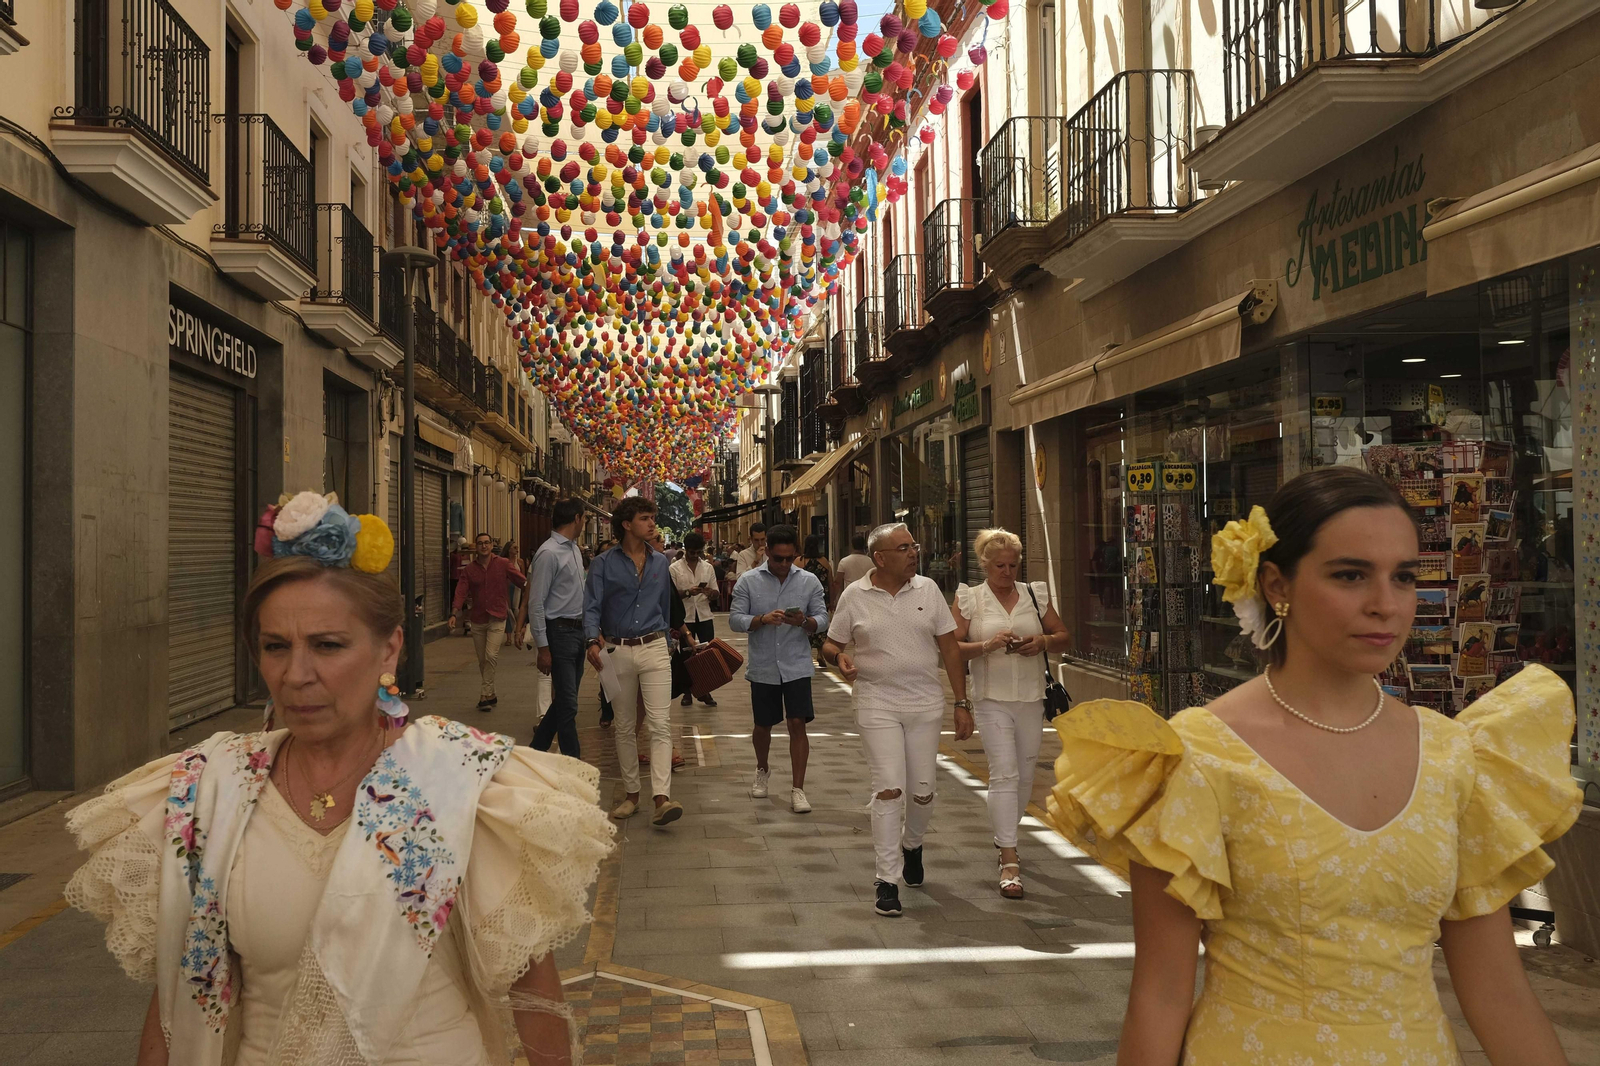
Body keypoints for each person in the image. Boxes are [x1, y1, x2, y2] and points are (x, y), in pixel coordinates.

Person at [1048, 467, 1582, 1064]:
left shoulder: (1455, 758)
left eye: (1403, 577)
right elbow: (1160, 993)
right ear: (1277, 584)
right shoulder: (1195, 757)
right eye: (1350, 575)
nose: (1385, 605)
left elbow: (1498, 991)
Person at [64, 491, 613, 1066]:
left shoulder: (461, 780)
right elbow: (175, 1004)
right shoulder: (208, 790)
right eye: (276, 646)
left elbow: (533, 992)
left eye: (327, 645)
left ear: (389, 649)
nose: (297, 674)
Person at [822, 522, 973, 918]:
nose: (913, 553)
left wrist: (962, 702)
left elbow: (951, 650)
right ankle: (887, 879)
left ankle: (913, 844)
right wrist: (839, 659)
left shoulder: (929, 591)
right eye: (904, 547)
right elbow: (830, 644)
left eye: (914, 546)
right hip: (876, 701)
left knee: (922, 791)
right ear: (880, 557)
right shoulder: (855, 596)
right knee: (889, 788)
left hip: (925, 704)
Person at [949, 528, 1069, 899]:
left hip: (1032, 698)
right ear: (984, 564)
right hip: (990, 699)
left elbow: (1064, 635)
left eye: (1012, 565)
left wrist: (1042, 642)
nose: (1006, 572)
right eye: (999, 565)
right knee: (1004, 774)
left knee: (1025, 776)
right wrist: (987, 645)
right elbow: (951, 649)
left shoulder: (1035, 593)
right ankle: (1009, 858)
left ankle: (1006, 837)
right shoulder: (969, 599)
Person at [584, 496, 685, 827]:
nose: (652, 523)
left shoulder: (659, 563)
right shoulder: (602, 564)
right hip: (616, 650)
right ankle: (631, 795)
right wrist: (591, 641)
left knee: (660, 723)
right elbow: (591, 607)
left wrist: (673, 638)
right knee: (625, 725)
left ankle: (662, 798)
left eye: (652, 517)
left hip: (655, 647)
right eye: (645, 518)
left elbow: (666, 606)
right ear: (627, 525)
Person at [729, 525, 829, 814]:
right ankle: (762, 768)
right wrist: (761, 619)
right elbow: (735, 619)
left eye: (789, 558)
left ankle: (798, 788)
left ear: (795, 554)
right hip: (763, 665)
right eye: (778, 559)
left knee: (797, 723)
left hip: (797, 663)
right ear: (767, 553)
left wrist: (806, 622)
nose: (784, 565)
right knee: (763, 725)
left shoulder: (809, 581)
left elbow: (823, 617)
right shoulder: (748, 581)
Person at [517, 499, 588, 758]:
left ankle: (536, 750)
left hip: (578, 632)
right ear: (577, 518)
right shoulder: (548, 553)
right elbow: (536, 603)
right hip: (559, 632)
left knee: (564, 703)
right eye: (584, 519)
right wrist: (543, 647)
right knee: (568, 704)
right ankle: (573, 761)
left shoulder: (574, 550)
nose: (584, 523)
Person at [451, 532, 527, 712]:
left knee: (491, 655)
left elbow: (521, 581)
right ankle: (491, 693)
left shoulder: (502, 564)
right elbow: (461, 591)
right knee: (482, 660)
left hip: (497, 617)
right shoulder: (470, 570)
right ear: (476, 547)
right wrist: (454, 612)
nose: (484, 546)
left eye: (487, 543)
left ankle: (484, 696)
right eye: (480, 543)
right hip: (477, 619)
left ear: (492, 546)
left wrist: (536, 591)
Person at [670, 531, 721, 707]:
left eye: (698, 552)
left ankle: (705, 690)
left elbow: (716, 593)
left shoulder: (708, 567)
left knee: (707, 653)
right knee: (686, 655)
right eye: (692, 552)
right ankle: (687, 692)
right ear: (686, 550)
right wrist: (687, 592)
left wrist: (709, 593)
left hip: (704, 614)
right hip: (685, 616)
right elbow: (671, 595)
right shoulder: (674, 568)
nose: (695, 555)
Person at [798, 534, 834, 609]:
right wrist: (831, 602)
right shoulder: (824, 561)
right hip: (822, 599)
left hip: (803, 599)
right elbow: (830, 583)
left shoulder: (799, 561)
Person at [833, 533, 873, 600]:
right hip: (866, 595)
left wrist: (833, 600)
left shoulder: (844, 561)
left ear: (852, 545)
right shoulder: (871, 562)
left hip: (849, 595)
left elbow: (837, 583)